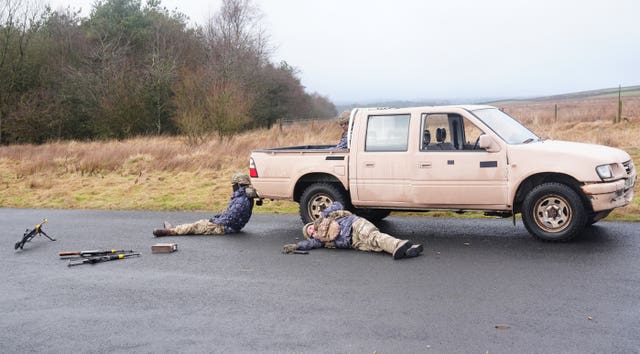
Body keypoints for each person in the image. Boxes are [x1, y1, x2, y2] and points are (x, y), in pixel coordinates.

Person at [282, 202, 424, 260]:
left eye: (310, 228)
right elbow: (309, 245)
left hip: (354, 225)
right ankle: (409, 249)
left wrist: (326, 211)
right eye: (310, 233)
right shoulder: (319, 240)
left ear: (312, 224)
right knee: (375, 246)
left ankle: (398, 245)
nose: (312, 231)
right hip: (353, 242)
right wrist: (297, 246)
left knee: (374, 238)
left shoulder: (327, 217)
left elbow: (338, 204)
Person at [152, 173, 258, 236]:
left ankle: (171, 231)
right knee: (200, 223)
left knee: (197, 226)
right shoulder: (244, 197)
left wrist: (215, 220)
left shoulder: (241, 201)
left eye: (234, 185)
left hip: (223, 227)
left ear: (238, 185)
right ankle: (175, 229)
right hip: (229, 226)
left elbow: (229, 219)